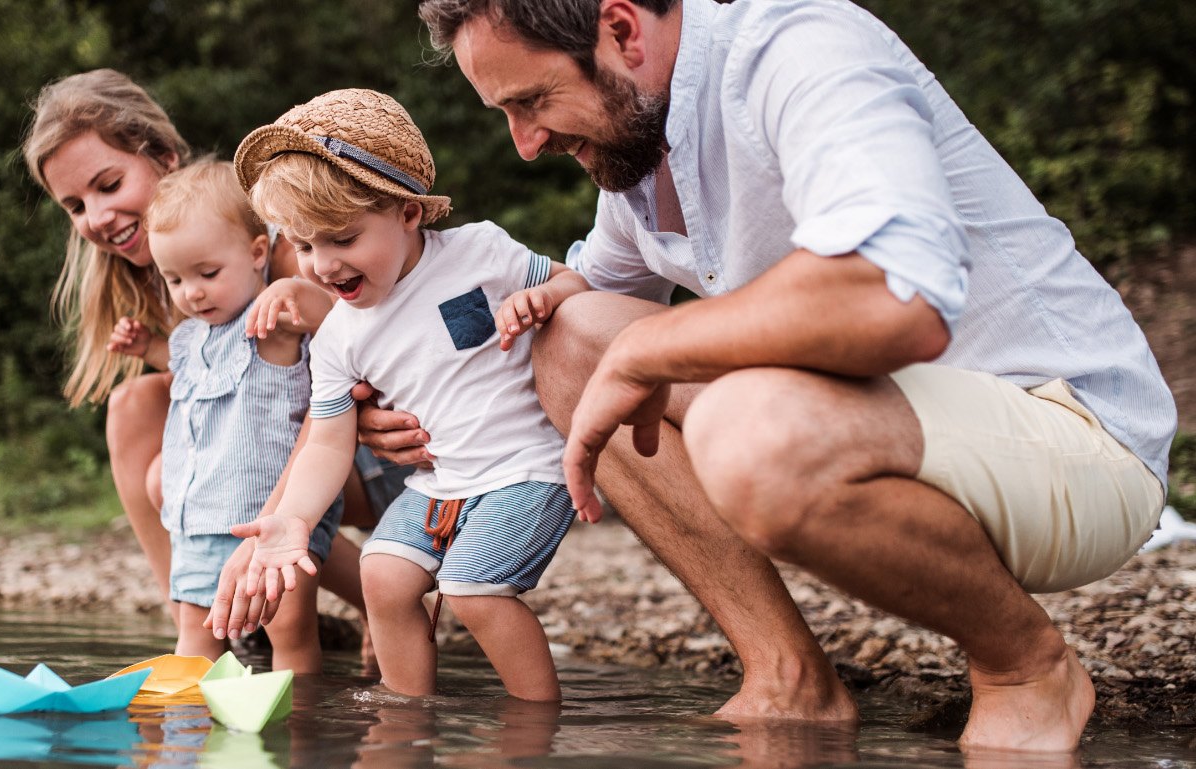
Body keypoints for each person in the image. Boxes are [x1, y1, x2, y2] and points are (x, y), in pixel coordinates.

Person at [403, 0, 1177, 752]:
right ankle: (789, 676)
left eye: (532, 100)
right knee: (572, 343)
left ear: (620, 30)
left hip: (1074, 439)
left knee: (748, 426)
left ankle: (1025, 669)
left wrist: (654, 348)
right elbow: (580, 303)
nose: (526, 142)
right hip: (903, 430)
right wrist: (405, 401)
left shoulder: (798, 48)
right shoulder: (644, 148)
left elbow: (892, 295)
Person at [229, 88, 591, 701]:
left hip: (526, 467)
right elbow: (327, 443)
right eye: (306, 244)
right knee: (383, 575)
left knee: (475, 591)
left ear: (408, 213)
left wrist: (548, 298)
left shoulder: (479, 252)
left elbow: (573, 281)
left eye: (341, 239)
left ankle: (536, 724)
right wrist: (293, 517)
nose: (321, 264)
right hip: (440, 482)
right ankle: (405, 713)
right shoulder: (339, 336)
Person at [22, 69, 383, 643]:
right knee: (134, 404)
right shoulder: (162, 278)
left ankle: (338, 603)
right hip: (270, 463)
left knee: (179, 475)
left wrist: (277, 520)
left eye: (108, 185)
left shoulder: (272, 244)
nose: (96, 217)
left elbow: (343, 376)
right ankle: (201, 628)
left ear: (164, 157)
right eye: (74, 205)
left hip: (363, 443)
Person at [105, 160, 349, 668]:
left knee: (290, 633)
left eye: (207, 274)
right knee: (197, 633)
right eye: (173, 279)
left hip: (270, 516)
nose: (191, 292)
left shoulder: (272, 321)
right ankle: (188, 733)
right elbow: (186, 367)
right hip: (197, 519)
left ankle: (299, 724)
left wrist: (295, 291)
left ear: (258, 253)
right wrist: (147, 345)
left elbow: (336, 320)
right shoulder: (191, 335)